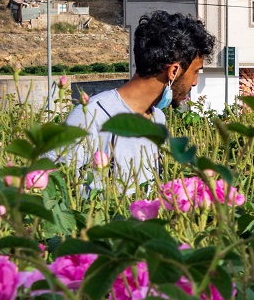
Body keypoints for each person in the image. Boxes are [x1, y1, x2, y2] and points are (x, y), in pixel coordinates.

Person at [64, 11, 215, 188]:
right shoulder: (92, 116)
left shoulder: (157, 117)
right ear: (174, 71)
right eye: (196, 72)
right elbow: (56, 184)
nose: (195, 82)